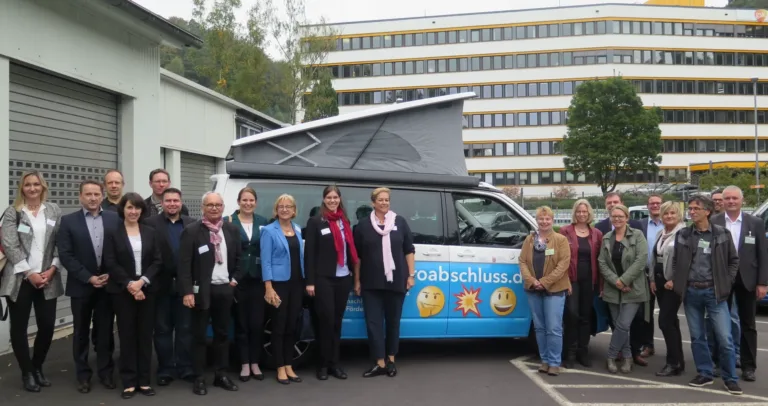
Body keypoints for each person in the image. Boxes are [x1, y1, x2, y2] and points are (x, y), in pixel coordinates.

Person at [671, 195, 741, 395]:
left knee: (725, 338)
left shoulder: (722, 234)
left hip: (714, 293)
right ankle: (705, 373)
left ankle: (730, 378)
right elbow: (676, 261)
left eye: (696, 208)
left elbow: (733, 260)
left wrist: (727, 282)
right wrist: (679, 282)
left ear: (707, 211)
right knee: (697, 337)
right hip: (691, 292)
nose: (691, 212)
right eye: (690, 208)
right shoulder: (683, 234)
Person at [0, 171, 62, 392]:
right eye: (28, 185)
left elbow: (59, 241)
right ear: (22, 188)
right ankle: (27, 372)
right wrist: (29, 273)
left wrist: (53, 268)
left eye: (36, 184)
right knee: (19, 328)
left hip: (48, 278)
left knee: (47, 326)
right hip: (20, 279)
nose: (32, 188)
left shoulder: (53, 210)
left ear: (43, 187)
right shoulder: (13, 212)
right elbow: (10, 245)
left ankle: (37, 367)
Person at [58, 180, 120, 393]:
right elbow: (66, 254)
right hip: (81, 286)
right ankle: (83, 375)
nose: (93, 198)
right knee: (81, 332)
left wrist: (112, 274)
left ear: (102, 196)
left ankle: (106, 372)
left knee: (105, 331)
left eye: (96, 194)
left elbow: (120, 249)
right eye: (88, 194)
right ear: (80, 197)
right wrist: (88, 277)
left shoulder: (114, 218)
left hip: (108, 285)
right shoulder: (68, 221)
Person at [178, 192, 241, 395]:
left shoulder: (231, 229)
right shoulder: (192, 231)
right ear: (203, 207)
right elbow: (184, 265)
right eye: (210, 205)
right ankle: (199, 377)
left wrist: (234, 280)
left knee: (222, 334)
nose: (214, 208)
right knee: (199, 335)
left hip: (225, 289)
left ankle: (221, 374)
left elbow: (240, 258)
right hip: (201, 291)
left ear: (223, 207)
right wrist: (187, 291)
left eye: (218, 205)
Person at [103, 193, 161, 399]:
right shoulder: (113, 232)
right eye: (129, 207)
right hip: (122, 292)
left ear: (142, 210)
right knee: (127, 336)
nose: (133, 211)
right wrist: (130, 284)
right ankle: (128, 381)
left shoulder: (151, 232)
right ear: (123, 209)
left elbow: (157, 261)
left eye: (137, 208)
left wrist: (141, 282)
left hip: (147, 290)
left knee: (145, 336)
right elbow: (110, 262)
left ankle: (144, 381)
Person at [353, 187, 415, 378]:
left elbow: (409, 250)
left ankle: (391, 360)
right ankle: (379, 362)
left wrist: (411, 275)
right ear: (373, 203)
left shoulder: (400, 222)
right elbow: (357, 257)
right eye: (380, 200)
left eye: (387, 200)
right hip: (371, 282)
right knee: (374, 324)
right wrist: (357, 280)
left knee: (393, 322)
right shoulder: (363, 226)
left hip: (396, 281)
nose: (384, 203)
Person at [711, 185, 768, 382]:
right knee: (719, 323)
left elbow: (763, 254)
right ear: (722, 201)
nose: (731, 201)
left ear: (742, 200)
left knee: (748, 324)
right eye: (727, 198)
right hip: (722, 279)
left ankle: (748, 366)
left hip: (747, 279)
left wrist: (762, 282)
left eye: (735, 198)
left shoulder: (756, 222)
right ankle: (720, 363)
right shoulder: (714, 221)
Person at [305, 185, 359, 381]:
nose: (332, 200)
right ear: (324, 199)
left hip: (343, 277)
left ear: (340, 199)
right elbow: (309, 254)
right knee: (325, 322)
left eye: (335, 197)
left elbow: (350, 249)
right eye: (329, 197)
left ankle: (334, 364)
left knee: (337, 322)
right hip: (323, 279)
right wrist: (310, 282)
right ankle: (322, 365)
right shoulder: (316, 221)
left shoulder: (344, 221)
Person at [144, 188, 195, 386]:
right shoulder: (149, 223)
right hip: (160, 285)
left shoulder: (192, 224)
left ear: (181, 203)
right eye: (168, 201)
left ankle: (185, 367)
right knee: (162, 330)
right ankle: (165, 369)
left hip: (185, 286)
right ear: (162, 203)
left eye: (175, 201)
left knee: (185, 329)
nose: (172, 204)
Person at [597, 204, 648, 374]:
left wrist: (625, 280)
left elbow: (641, 260)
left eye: (621, 216)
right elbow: (602, 262)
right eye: (614, 216)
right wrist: (616, 282)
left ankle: (611, 356)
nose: (617, 219)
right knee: (619, 325)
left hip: (633, 288)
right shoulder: (607, 237)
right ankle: (627, 357)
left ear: (627, 217)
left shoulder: (637, 235)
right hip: (613, 288)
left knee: (623, 324)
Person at [224, 187, 268, 382]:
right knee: (241, 324)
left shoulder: (263, 222)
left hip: (258, 278)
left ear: (256, 203)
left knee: (257, 324)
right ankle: (244, 363)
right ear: (238, 202)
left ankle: (255, 362)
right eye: (244, 200)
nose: (248, 203)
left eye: (251, 200)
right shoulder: (228, 221)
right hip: (237, 279)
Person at [521, 206, 571, 376]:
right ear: (537, 220)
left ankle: (554, 362)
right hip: (533, 290)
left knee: (554, 328)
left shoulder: (561, 240)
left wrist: (544, 282)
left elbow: (563, 265)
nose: (544, 222)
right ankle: (544, 360)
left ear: (552, 220)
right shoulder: (529, 240)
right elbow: (522, 261)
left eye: (547, 218)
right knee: (540, 328)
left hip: (554, 290)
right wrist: (532, 281)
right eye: (541, 219)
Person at [261, 194, 305, 385]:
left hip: (296, 284)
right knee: (279, 326)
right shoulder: (269, 231)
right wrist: (268, 287)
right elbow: (266, 261)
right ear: (276, 210)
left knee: (291, 326)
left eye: (289, 206)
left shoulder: (297, 229)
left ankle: (289, 365)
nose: (285, 209)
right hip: (278, 285)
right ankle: (280, 367)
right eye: (281, 206)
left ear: (294, 210)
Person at [559, 199, 602, 368]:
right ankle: (570, 352)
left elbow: (600, 260)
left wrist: (600, 285)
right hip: (571, 280)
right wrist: (565, 281)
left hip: (589, 281)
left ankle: (583, 351)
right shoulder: (565, 231)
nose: (582, 214)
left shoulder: (596, 233)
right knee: (572, 315)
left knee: (586, 316)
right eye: (579, 211)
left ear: (589, 213)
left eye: (584, 211)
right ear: (574, 213)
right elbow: (561, 258)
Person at [649, 201, 686, 377]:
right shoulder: (661, 233)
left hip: (672, 283)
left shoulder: (683, 233)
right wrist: (652, 279)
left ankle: (672, 362)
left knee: (665, 321)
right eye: (666, 213)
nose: (669, 216)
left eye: (672, 213)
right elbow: (654, 257)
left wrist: (675, 279)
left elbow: (686, 260)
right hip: (659, 281)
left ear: (678, 215)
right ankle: (678, 361)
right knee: (671, 322)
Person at [631, 194, 664, 367]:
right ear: (647, 206)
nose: (655, 206)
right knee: (646, 314)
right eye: (652, 203)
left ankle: (673, 349)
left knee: (667, 316)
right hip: (644, 275)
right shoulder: (640, 225)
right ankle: (648, 345)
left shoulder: (672, 224)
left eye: (658, 203)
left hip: (665, 276)